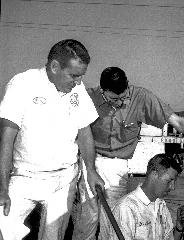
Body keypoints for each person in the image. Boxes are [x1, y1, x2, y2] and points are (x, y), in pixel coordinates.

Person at [71, 66, 184, 240]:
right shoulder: (87, 97)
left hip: (116, 167)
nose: (119, 103)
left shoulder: (141, 97)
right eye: (113, 99)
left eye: (123, 97)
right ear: (102, 91)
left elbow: (177, 122)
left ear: (128, 86)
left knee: (111, 222)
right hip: (87, 159)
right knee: (85, 221)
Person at [0, 39, 104, 240]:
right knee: (3, 226)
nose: (78, 82)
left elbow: (84, 133)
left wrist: (91, 170)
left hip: (63, 180)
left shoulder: (77, 90)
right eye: (74, 75)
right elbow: (7, 138)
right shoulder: (22, 84)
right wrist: (2, 187)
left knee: (52, 236)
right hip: (25, 176)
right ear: (55, 67)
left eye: (81, 76)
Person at [99, 153, 184, 240]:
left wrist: (179, 228)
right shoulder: (127, 208)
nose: (172, 187)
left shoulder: (160, 205)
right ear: (154, 174)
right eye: (169, 181)